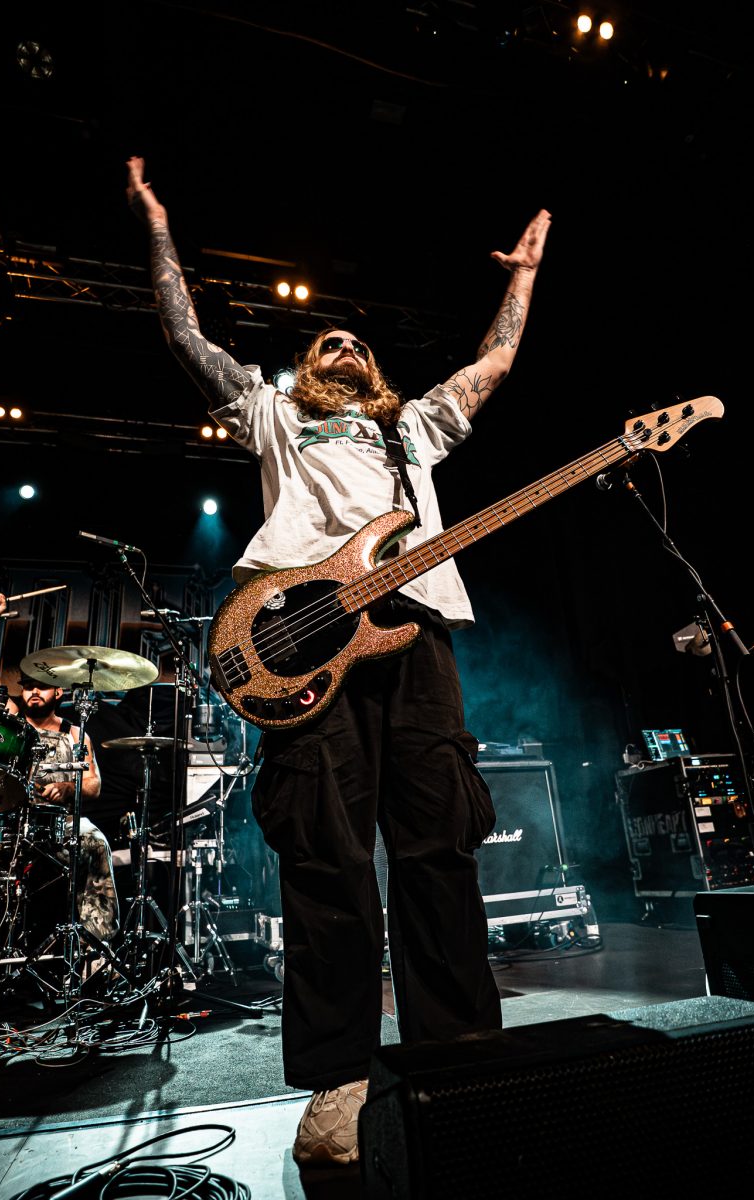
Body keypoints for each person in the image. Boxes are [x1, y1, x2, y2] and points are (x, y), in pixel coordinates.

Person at [126, 155, 551, 1166]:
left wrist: (523, 278)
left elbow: (493, 365)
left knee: (439, 846)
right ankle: (342, 1077)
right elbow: (185, 337)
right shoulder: (274, 415)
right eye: (328, 340)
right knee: (326, 858)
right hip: (301, 637)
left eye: (359, 341)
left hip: (417, 632)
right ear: (306, 369)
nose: (347, 344)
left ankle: (458, 1053)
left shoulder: (413, 429)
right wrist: (157, 226)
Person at [0, 594, 119, 945]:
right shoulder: (10, 719)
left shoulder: (75, 733)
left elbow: (95, 784)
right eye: (28, 686)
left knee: (97, 843)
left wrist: (69, 789)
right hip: (2, 820)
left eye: (43, 686)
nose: (34, 691)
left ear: (59, 692)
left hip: (57, 825)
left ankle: (95, 951)